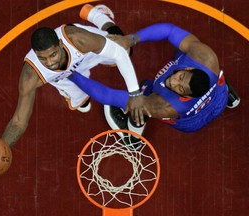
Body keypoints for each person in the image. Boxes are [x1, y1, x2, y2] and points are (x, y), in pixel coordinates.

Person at [68, 9, 240, 142]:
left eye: (180, 88)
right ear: (188, 70)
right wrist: (131, 39)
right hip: (219, 95)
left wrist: (71, 74)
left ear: (186, 96)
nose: (173, 81)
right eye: (180, 77)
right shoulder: (206, 57)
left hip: (191, 122)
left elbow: (109, 96)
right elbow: (170, 31)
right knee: (182, 49)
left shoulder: (165, 105)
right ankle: (226, 95)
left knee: (141, 100)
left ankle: (134, 134)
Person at [1, 4, 145, 147]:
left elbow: (118, 53)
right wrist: (3, 148)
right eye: (42, 58)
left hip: (85, 54)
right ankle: (70, 87)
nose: (50, 63)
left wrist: (134, 93)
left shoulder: (77, 39)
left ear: (60, 44)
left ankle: (99, 16)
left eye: (53, 54)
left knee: (124, 48)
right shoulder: (31, 74)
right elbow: (19, 120)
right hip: (65, 76)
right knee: (83, 104)